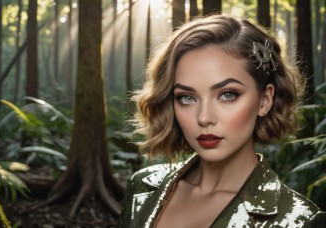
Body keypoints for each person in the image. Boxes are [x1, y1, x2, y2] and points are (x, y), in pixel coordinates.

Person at [118, 15, 326, 228]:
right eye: (187, 98)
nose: (204, 118)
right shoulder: (143, 186)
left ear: (265, 100)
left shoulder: (299, 220)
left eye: (227, 95)